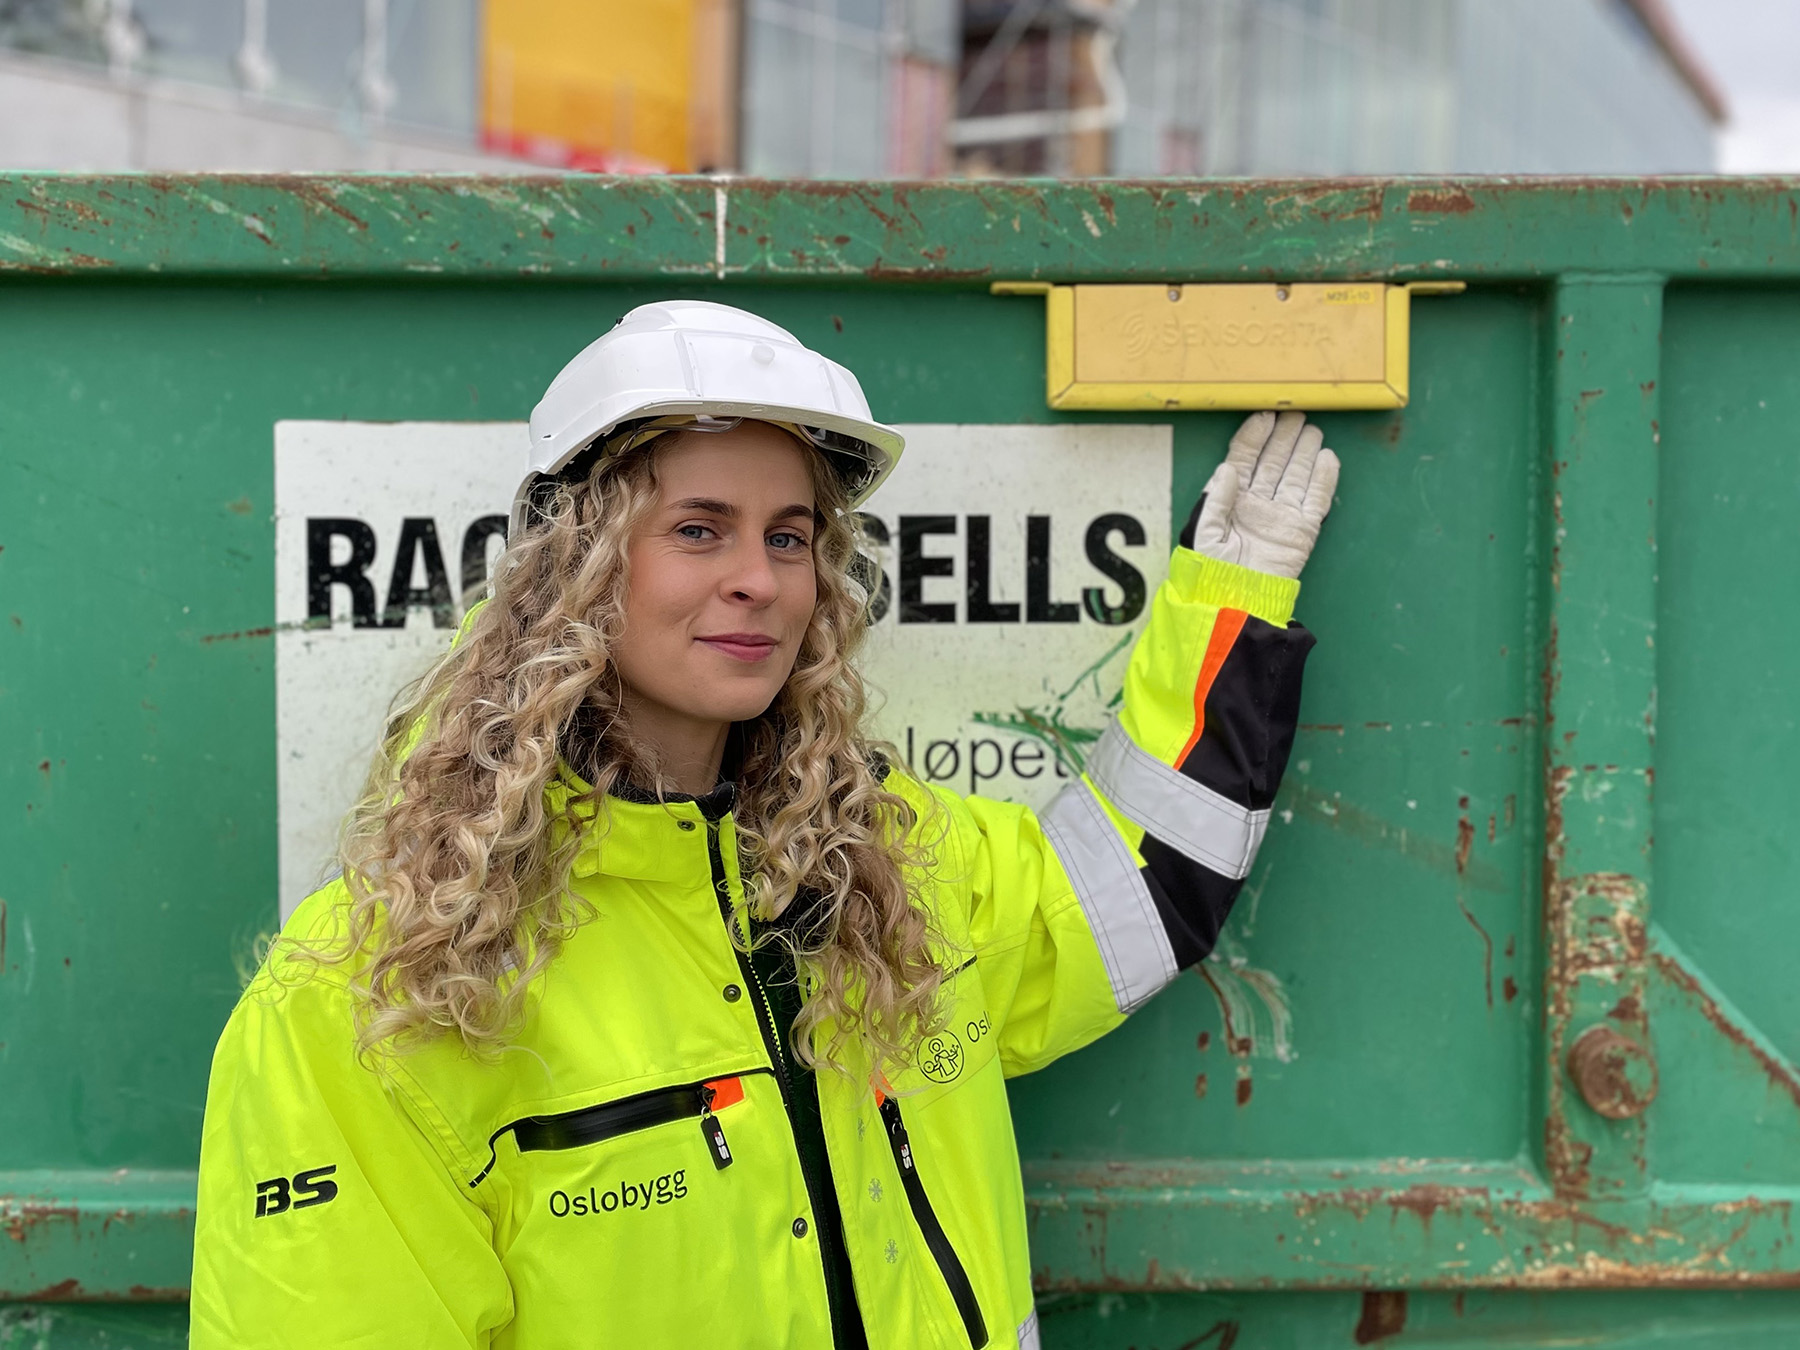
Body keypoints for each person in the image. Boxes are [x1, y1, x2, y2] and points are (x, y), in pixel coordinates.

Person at [190, 300, 1339, 1349]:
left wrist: (1228, 600)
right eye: (699, 529)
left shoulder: (894, 865)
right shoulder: (378, 994)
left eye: (789, 537)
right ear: (574, 563)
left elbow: (1135, 896)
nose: (759, 579)